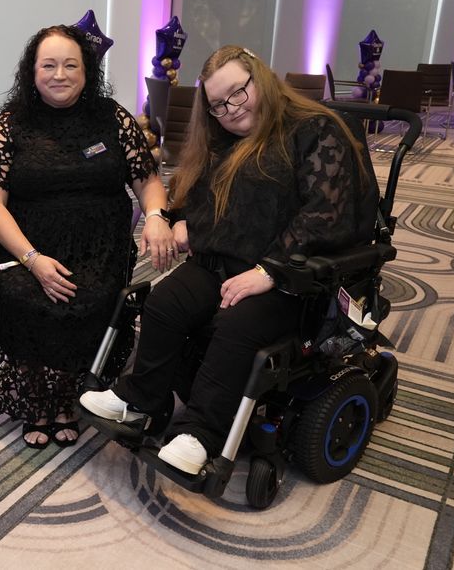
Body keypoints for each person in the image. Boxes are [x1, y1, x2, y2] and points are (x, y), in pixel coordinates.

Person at [80, 45, 374, 475]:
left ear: (261, 78)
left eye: (238, 92)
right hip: (226, 262)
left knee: (236, 323)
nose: (231, 109)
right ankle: (140, 401)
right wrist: (183, 221)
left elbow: (325, 215)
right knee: (164, 302)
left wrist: (270, 271)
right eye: (218, 105)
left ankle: (201, 433)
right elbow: (209, 200)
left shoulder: (315, 129)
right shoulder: (224, 138)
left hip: (295, 277)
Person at [0, 25, 176, 450]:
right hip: (25, 246)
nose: (59, 74)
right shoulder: (11, 124)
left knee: (89, 297)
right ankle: (37, 398)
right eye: (48, 65)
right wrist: (33, 259)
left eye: (70, 65)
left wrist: (156, 215)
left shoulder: (112, 118)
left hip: (100, 248)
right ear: (32, 71)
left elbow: (147, 179)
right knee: (26, 298)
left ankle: (63, 397)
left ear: (86, 70)